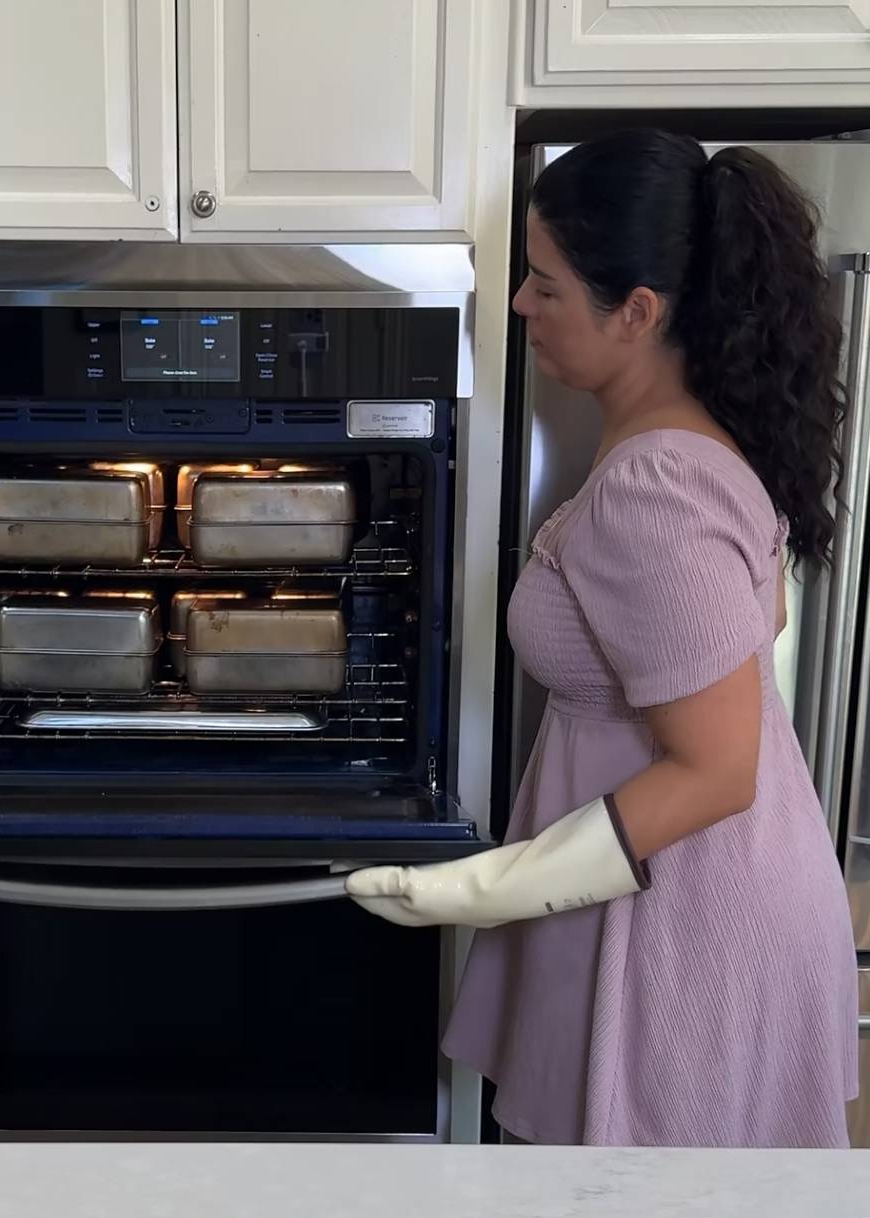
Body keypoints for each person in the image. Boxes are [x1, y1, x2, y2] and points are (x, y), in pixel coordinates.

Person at [347, 129, 858, 1148]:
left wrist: (486, 886)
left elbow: (716, 770)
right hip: (670, 886)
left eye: (546, 286)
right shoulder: (686, 439)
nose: (522, 307)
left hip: (686, 922)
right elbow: (755, 635)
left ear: (636, 313)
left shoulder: (655, 484)